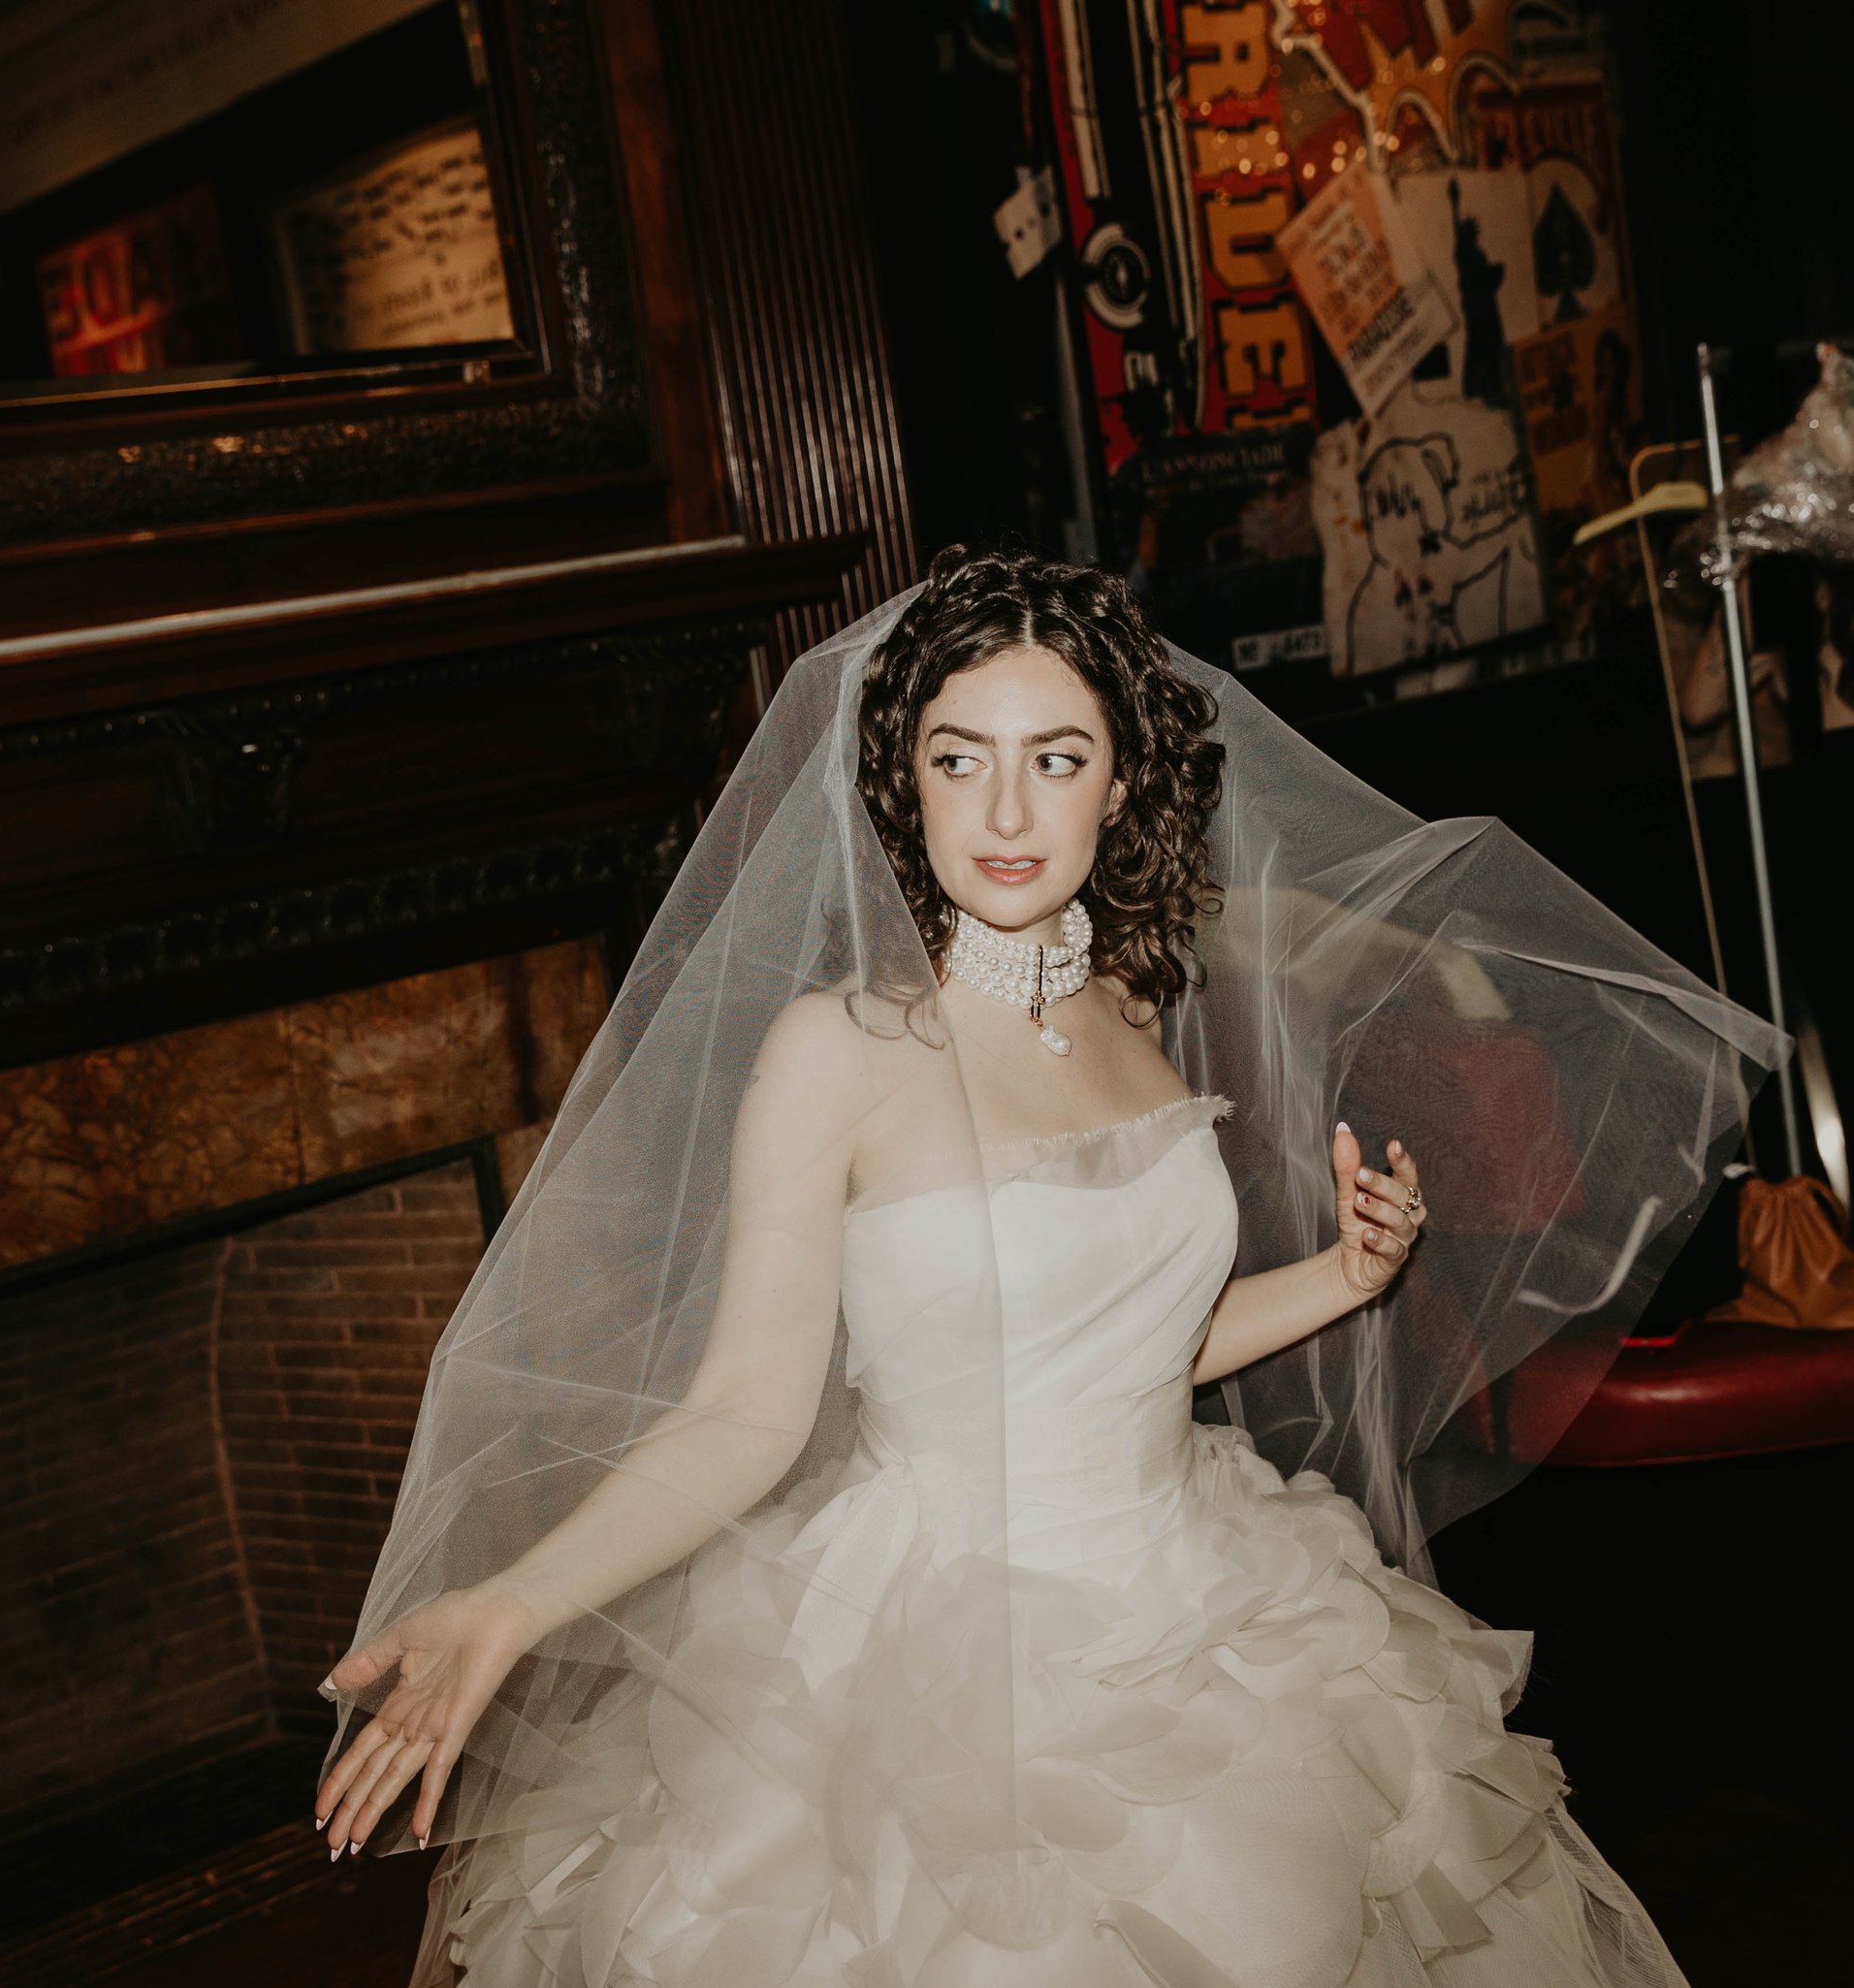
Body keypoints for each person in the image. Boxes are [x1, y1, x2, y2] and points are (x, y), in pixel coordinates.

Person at [314, 548, 1782, 1985]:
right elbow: (744, 1413)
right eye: (960, 760)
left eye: (1056, 758)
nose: (1006, 811)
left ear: (1121, 783)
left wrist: (1346, 1274)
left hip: (1204, 1601)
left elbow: (1142, 1346)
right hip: (941, 1667)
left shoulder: (1129, 1004)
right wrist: (512, 1603)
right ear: (906, 783)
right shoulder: (838, 1049)